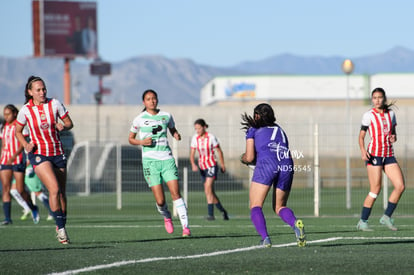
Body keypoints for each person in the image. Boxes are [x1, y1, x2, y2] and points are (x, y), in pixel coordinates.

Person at [15, 76, 74, 244]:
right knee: (54, 189)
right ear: (30, 92)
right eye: (38, 90)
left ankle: (61, 224)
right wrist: (26, 144)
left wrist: (63, 126)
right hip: (39, 154)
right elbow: (18, 131)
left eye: (44, 89)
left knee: (62, 193)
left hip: (57, 151)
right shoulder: (25, 110)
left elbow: (70, 123)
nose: (42, 92)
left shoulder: (55, 104)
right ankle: (61, 230)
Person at [240, 103, 306, 247]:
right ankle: (295, 224)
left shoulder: (253, 129)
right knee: (280, 206)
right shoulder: (280, 129)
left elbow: (250, 157)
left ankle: (265, 239)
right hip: (286, 163)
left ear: (257, 115)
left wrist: (243, 158)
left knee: (255, 205)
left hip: (267, 164)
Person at [128, 89, 191, 237]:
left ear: (157, 100)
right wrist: (142, 142)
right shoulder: (139, 119)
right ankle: (167, 216)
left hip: (167, 159)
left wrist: (176, 134)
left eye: (154, 98)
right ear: (144, 102)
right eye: (148, 99)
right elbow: (130, 138)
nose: (152, 101)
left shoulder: (166, 116)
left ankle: (186, 227)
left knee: (176, 193)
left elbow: (172, 129)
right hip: (150, 162)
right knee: (160, 200)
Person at [356, 87, 405, 231]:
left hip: (388, 154)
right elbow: (361, 136)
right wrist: (363, 151)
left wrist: (394, 137)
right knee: (375, 189)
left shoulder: (391, 114)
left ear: (384, 98)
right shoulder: (368, 115)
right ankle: (363, 221)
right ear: (372, 99)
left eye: (380, 97)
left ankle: (386, 217)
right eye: (374, 98)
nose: (377, 100)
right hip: (374, 155)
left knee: (400, 186)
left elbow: (393, 134)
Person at [1, 104, 40, 225]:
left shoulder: (21, 126)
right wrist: (3, 156)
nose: (6, 116)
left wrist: (14, 156)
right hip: (5, 160)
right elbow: (3, 144)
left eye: (8, 114)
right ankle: (8, 218)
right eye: (5, 114)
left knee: (20, 189)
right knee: (6, 188)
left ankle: (33, 208)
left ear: (14, 113)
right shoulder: (3, 127)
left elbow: (22, 143)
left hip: (18, 160)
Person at [190, 118, 229, 221]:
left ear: (204, 127)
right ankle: (223, 211)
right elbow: (192, 153)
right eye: (196, 129)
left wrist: (223, 164)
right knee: (209, 192)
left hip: (211, 165)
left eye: (199, 128)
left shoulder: (211, 137)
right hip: (202, 167)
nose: (197, 130)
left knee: (208, 188)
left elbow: (219, 151)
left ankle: (210, 215)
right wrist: (193, 164)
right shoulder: (195, 138)